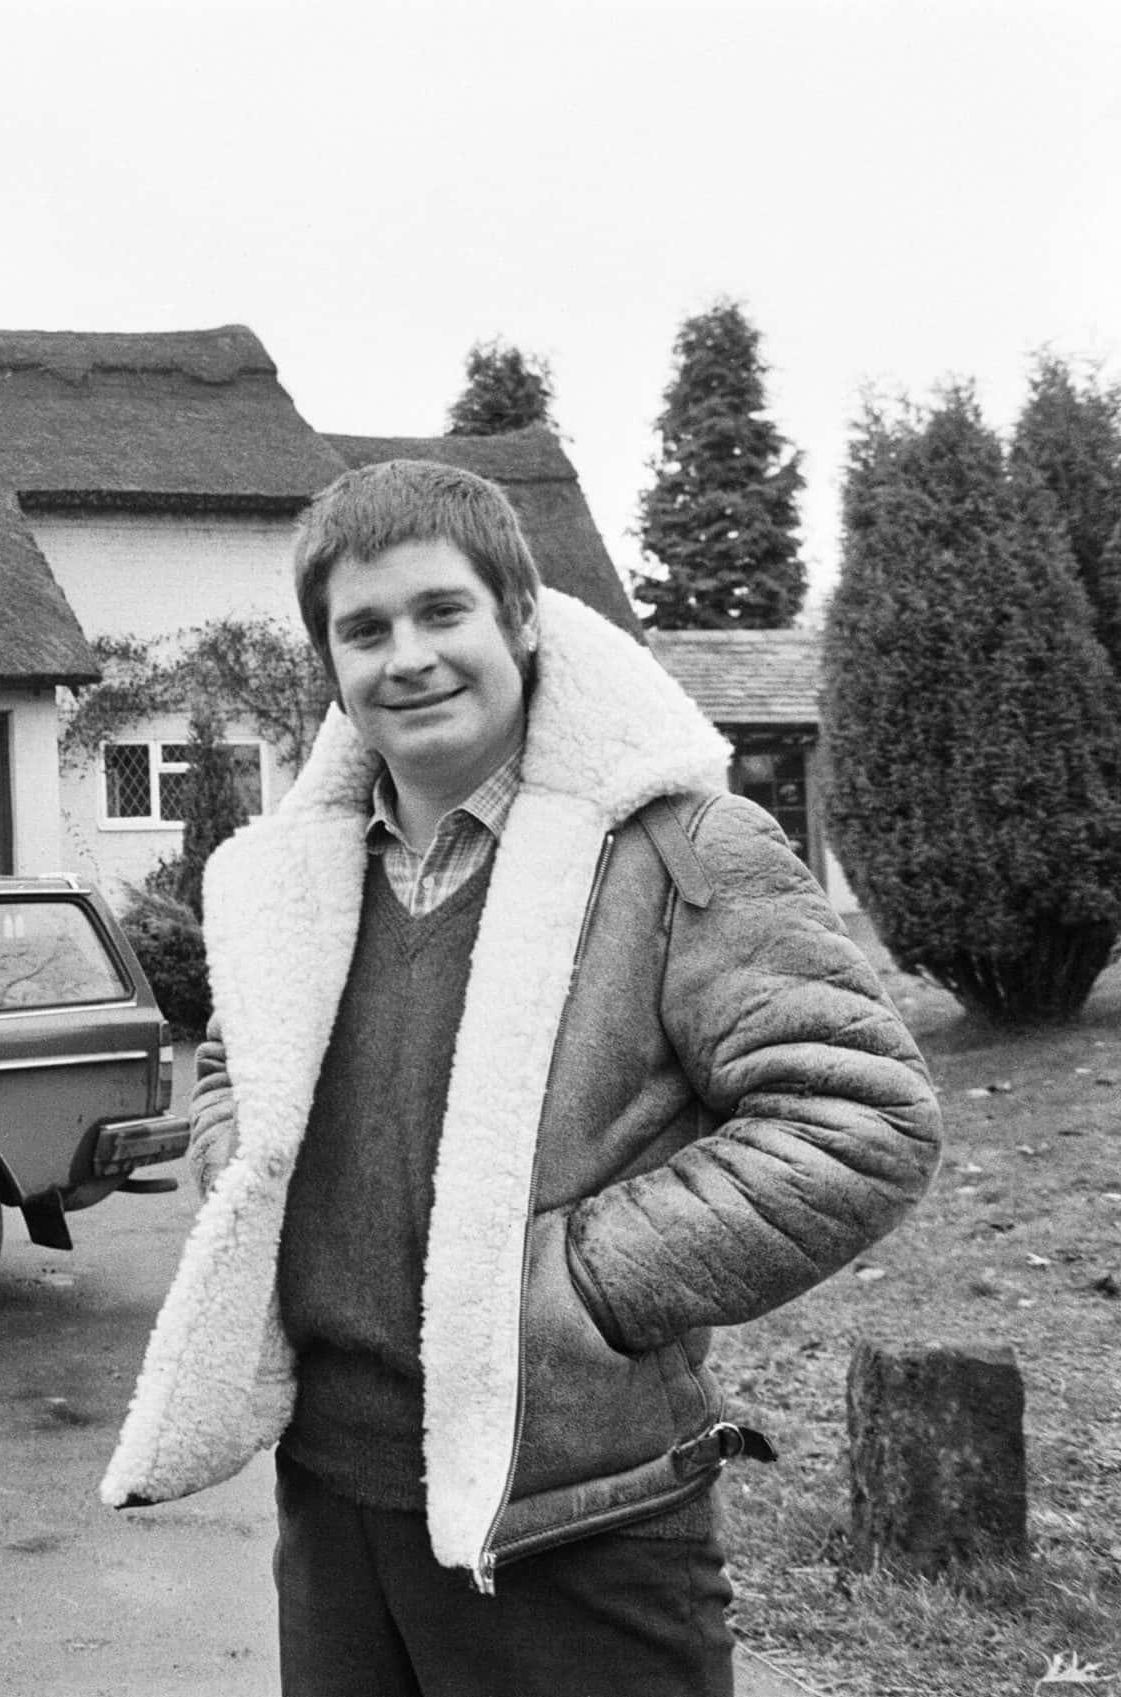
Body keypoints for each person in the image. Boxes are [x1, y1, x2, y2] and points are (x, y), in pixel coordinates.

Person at [101, 459, 941, 1695]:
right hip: (331, 1498)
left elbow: (860, 1113)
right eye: (365, 629)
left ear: (522, 617)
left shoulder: (677, 848)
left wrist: (572, 1286)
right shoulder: (285, 872)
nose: (408, 657)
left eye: (443, 611)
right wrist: (245, 1166)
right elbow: (235, 1055)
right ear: (330, 665)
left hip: (573, 1520)